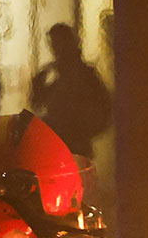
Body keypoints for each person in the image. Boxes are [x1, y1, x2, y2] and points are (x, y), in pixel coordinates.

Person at [29, 23, 111, 162]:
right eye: (53, 43)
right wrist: (38, 85)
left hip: (75, 144)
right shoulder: (55, 73)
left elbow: (102, 108)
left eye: (58, 43)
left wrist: (83, 128)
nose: (55, 48)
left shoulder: (83, 74)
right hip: (59, 143)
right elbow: (38, 103)